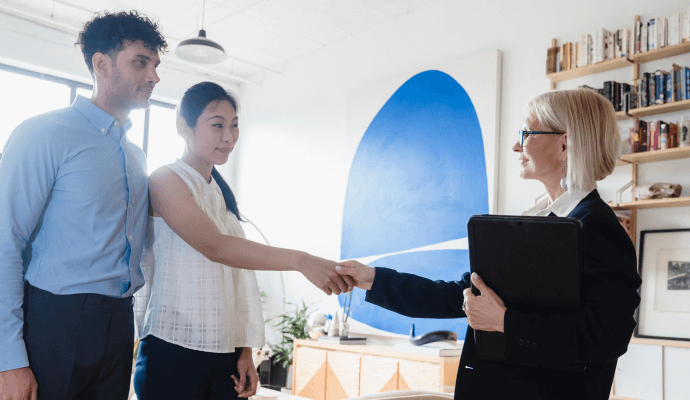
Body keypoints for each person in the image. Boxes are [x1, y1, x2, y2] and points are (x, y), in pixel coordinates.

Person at [335, 89, 642, 400]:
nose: (516, 145)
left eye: (527, 133)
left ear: (564, 144)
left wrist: (504, 321)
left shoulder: (596, 226)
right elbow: (463, 294)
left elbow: (607, 336)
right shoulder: (542, 222)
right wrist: (372, 278)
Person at [133, 82, 353, 400]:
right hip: (172, 349)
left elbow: (236, 278)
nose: (228, 137)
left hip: (225, 354)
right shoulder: (166, 180)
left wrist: (245, 351)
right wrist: (301, 260)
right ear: (183, 126)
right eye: (217, 125)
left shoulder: (221, 194)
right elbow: (215, 247)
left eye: (234, 126)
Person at [0, 11, 167, 400]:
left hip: (119, 322)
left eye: (156, 65)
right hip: (55, 320)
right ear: (101, 64)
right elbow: (4, 241)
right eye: (141, 62)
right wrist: (8, 359)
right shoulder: (45, 134)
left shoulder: (136, 156)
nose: (154, 77)